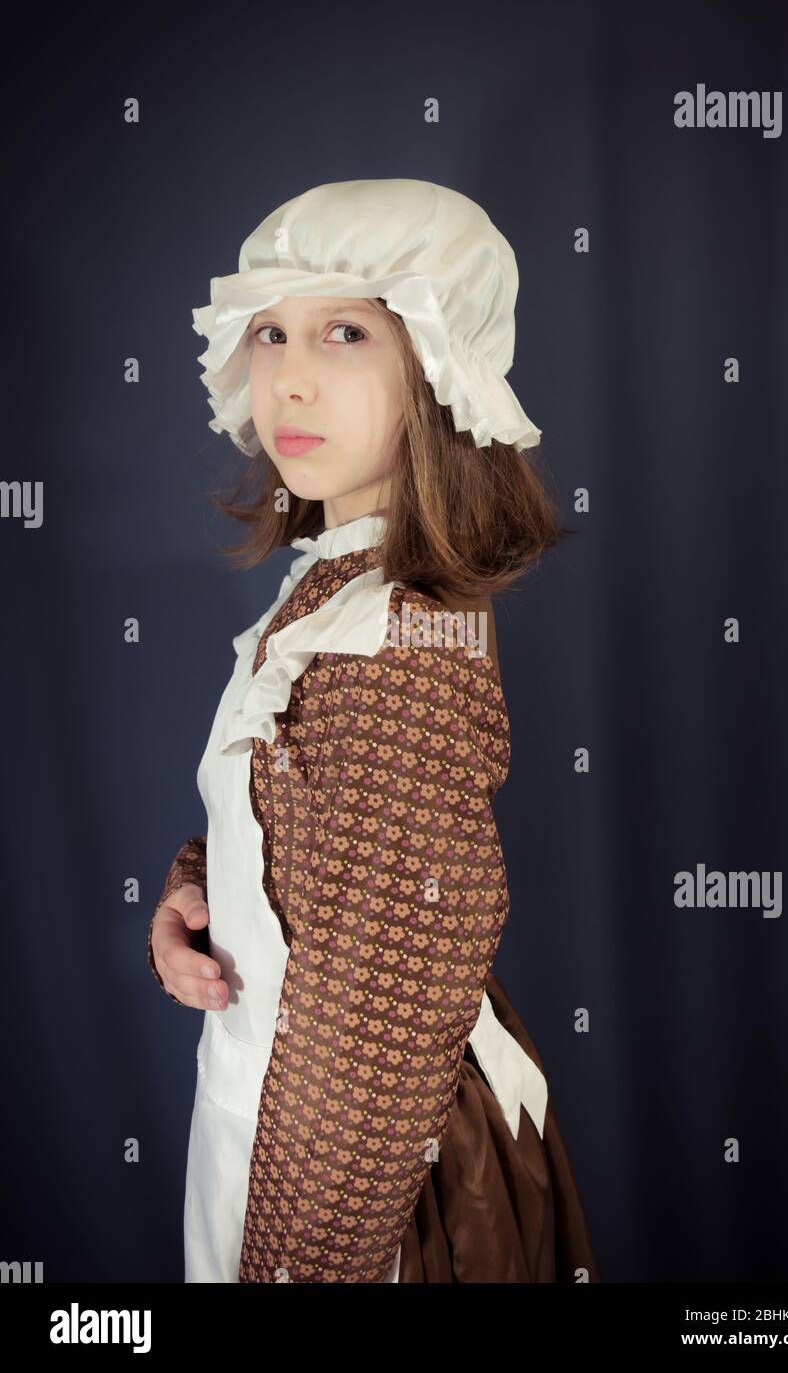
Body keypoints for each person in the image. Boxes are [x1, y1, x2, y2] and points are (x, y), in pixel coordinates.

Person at [147, 178, 600, 1284]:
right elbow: (300, 819)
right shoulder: (342, 587)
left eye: (344, 331)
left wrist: (302, 1263)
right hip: (279, 1113)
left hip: (358, 1187)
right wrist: (196, 892)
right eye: (270, 331)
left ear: (439, 369)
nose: (286, 374)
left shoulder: (392, 645)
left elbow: (388, 1016)